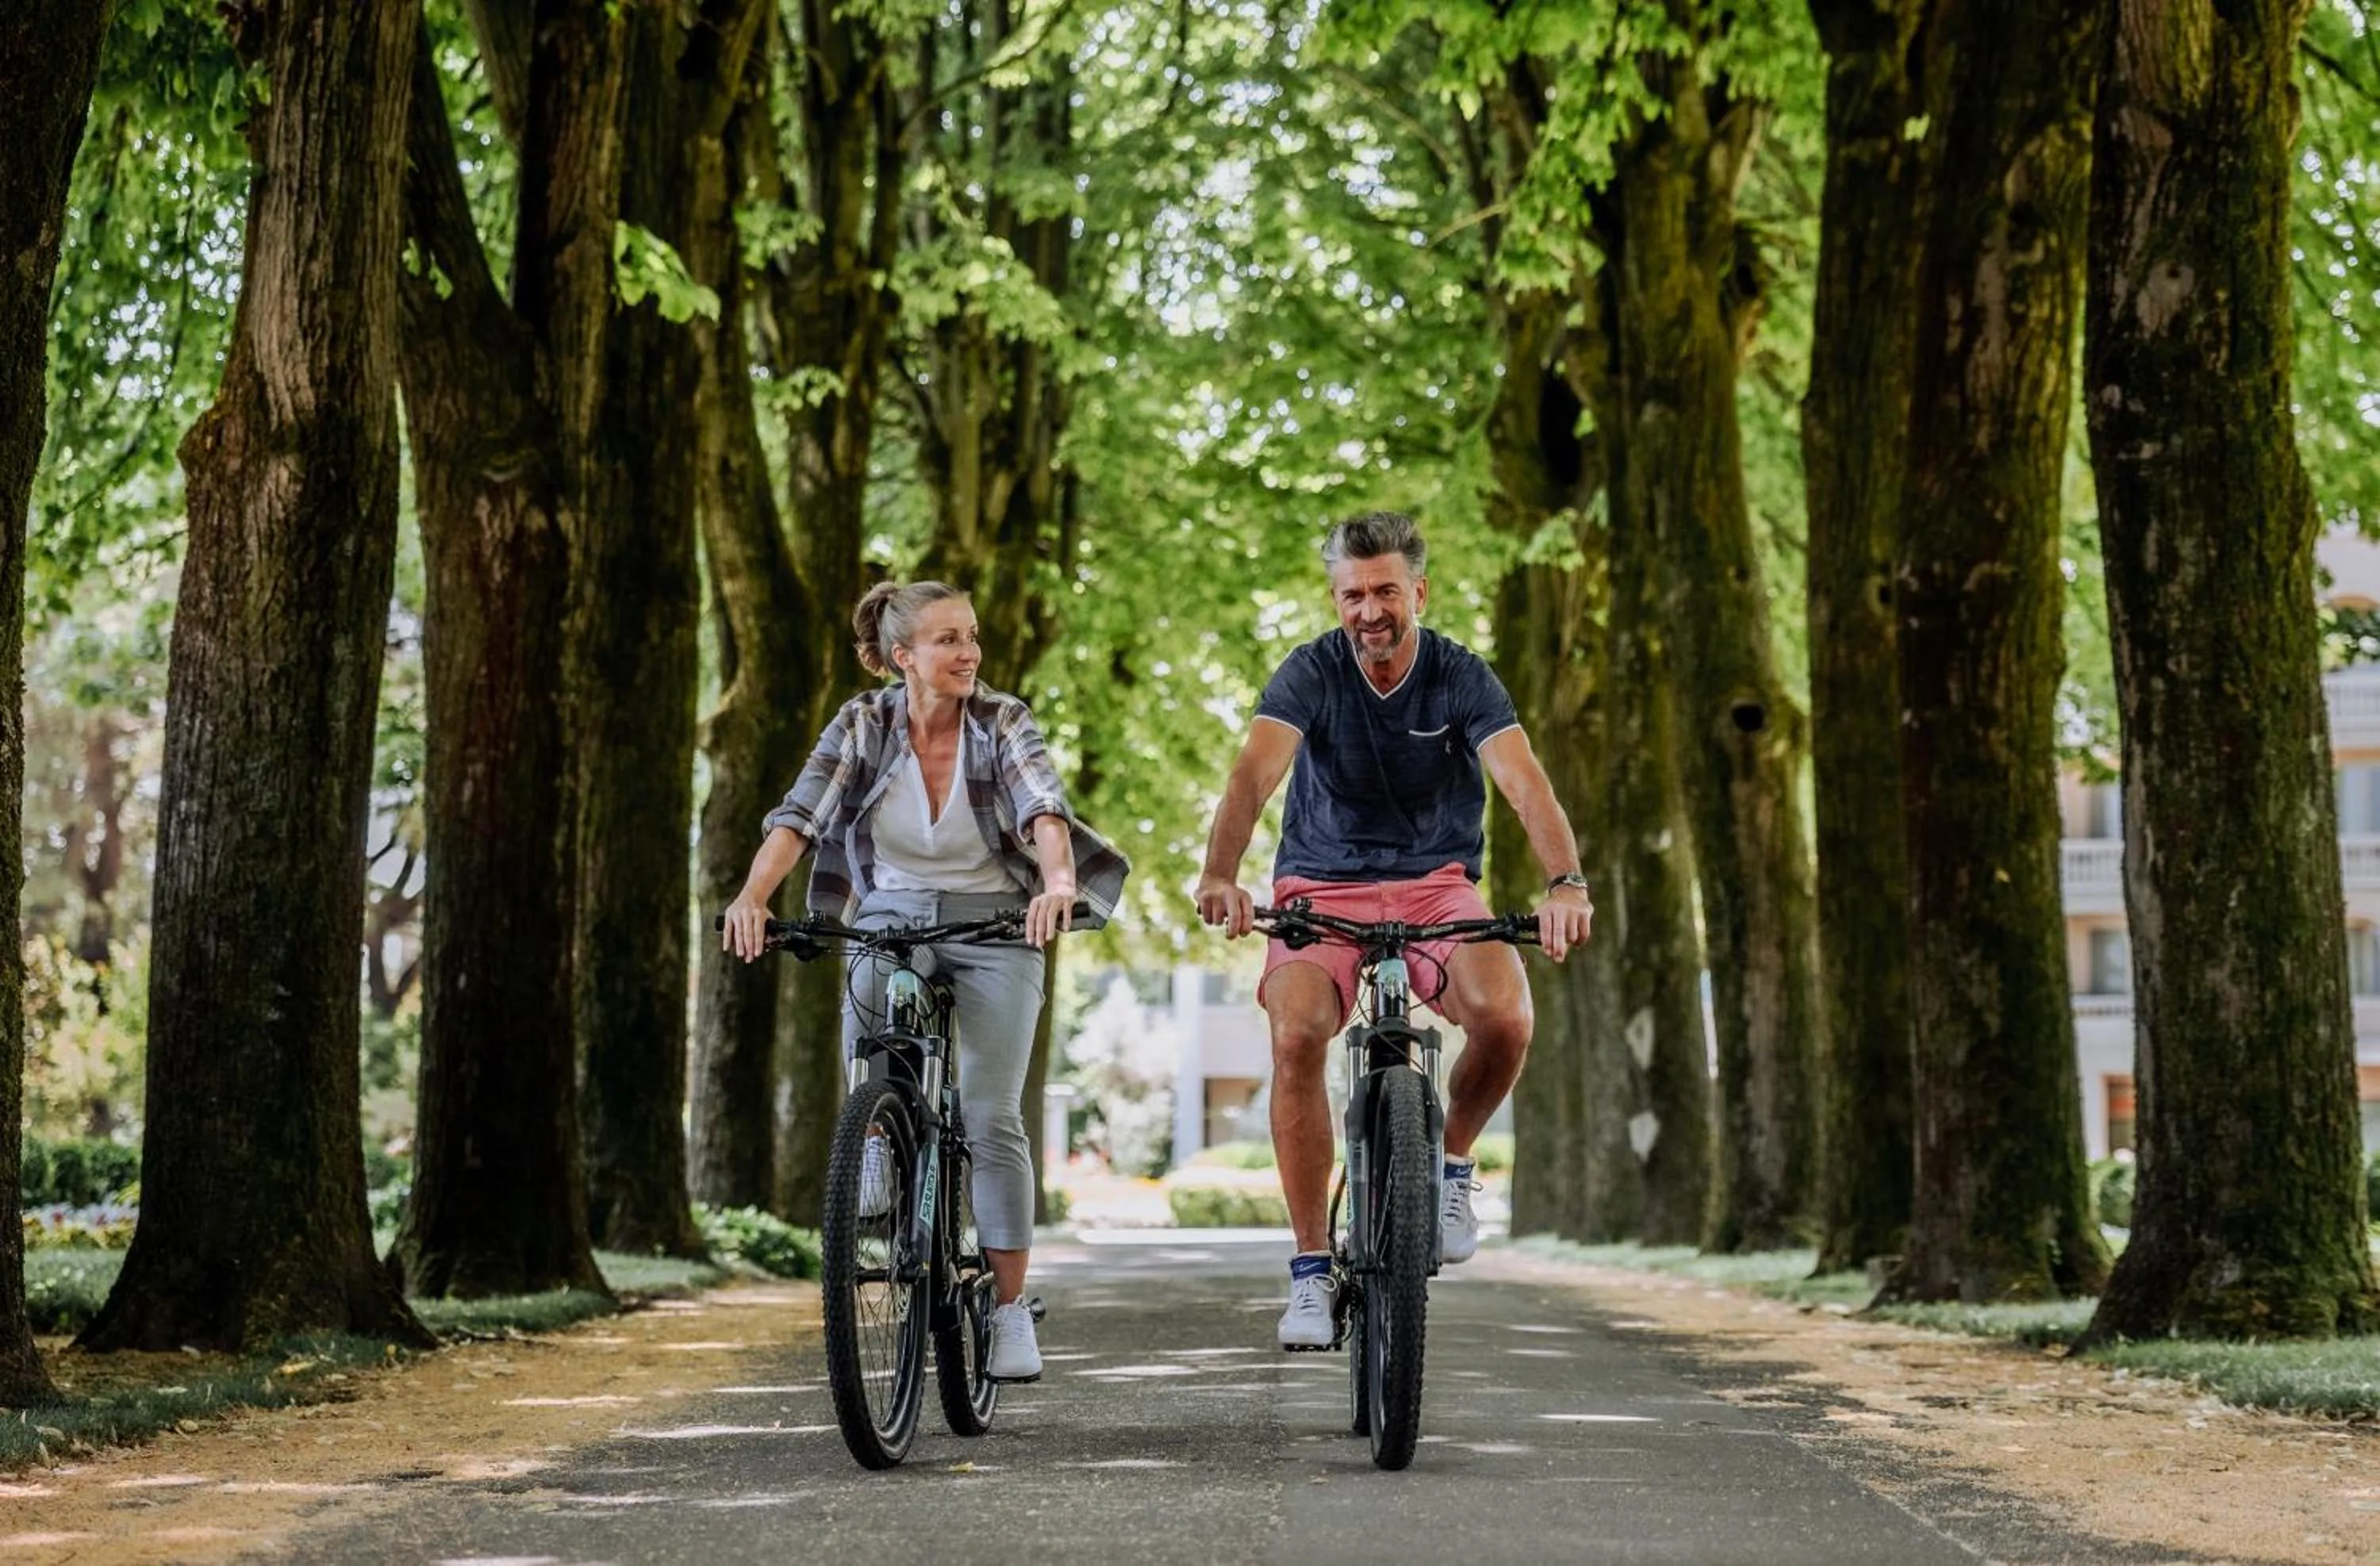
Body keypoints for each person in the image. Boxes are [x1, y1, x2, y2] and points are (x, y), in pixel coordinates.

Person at [1195, 512, 1594, 1349]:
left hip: (1437, 886)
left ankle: (1449, 1164)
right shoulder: (1310, 671)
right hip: (1320, 884)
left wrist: (1565, 883)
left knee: (1508, 1017)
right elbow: (1252, 776)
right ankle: (1310, 1273)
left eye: (1385, 591)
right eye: (1352, 595)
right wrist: (1222, 875)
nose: (1369, 611)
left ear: (1419, 590)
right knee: (1297, 1035)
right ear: (1335, 599)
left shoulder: (1461, 677)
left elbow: (1524, 784)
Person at [722, 581, 1129, 1383]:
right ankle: (878, 1140)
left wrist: (1055, 883)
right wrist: (752, 896)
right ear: (902, 656)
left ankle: (1010, 1312)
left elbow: (1043, 806)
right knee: (871, 1019)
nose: (968, 652)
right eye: (947, 639)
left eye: (971, 636)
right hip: (893, 912)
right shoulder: (861, 725)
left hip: (996, 924)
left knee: (989, 1112)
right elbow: (801, 814)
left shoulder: (1001, 720)